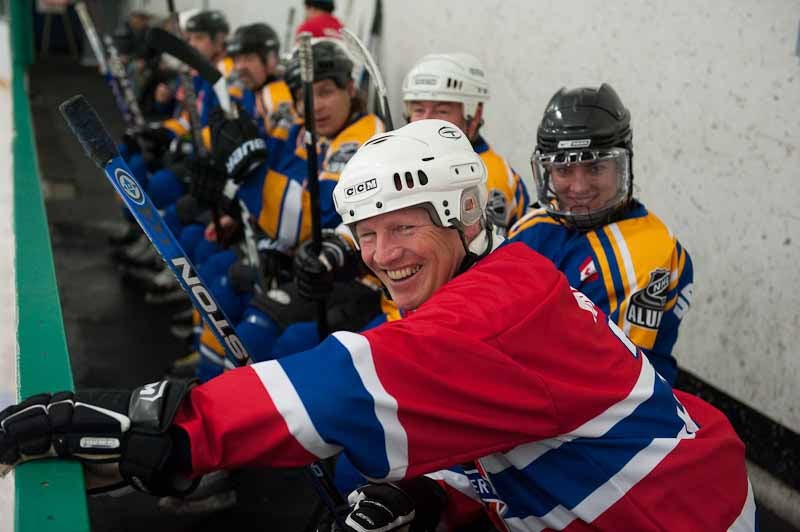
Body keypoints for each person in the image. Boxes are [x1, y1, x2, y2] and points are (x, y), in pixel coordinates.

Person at [0, 120, 753, 532]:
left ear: (462, 217)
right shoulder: (489, 285)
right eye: (367, 230)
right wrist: (431, 497)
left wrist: (162, 425)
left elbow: (340, 392)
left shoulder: (501, 304)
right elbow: (514, 432)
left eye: (405, 227)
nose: (381, 255)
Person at [509, 84, 693, 384]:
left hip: (622, 421)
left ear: (622, 167)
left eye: (595, 168)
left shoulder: (647, 250)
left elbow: (599, 378)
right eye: (564, 170)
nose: (579, 188)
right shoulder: (533, 225)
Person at [403, 52, 529, 234]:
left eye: (442, 111)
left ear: (474, 115)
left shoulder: (493, 177)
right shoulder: (396, 163)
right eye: (419, 110)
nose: (426, 121)